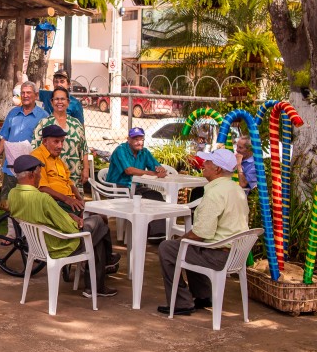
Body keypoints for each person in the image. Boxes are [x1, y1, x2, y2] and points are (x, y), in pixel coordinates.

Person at [8, 155, 116, 298]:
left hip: (37, 245)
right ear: (33, 174)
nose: (40, 176)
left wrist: (70, 216)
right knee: (98, 221)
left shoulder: (12, 194)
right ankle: (106, 264)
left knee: (98, 234)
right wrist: (75, 219)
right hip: (59, 246)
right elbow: (70, 229)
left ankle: (96, 286)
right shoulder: (43, 199)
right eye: (40, 172)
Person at [157, 149, 249, 316]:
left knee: (169, 247)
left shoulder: (215, 193)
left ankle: (181, 302)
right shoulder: (236, 189)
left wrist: (182, 239)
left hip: (219, 256)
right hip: (236, 253)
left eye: (208, 162)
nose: (203, 165)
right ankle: (203, 295)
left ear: (218, 169)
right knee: (189, 246)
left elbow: (201, 233)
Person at [31, 125, 120, 274]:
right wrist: (68, 200)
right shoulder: (37, 157)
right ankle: (93, 260)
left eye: (62, 142)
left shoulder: (58, 160)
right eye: (56, 142)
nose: (60, 146)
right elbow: (42, 188)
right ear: (45, 141)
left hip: (69, 201)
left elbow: (69, 183)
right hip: (56, 203)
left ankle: (102, 259)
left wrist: (80, 199)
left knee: (101, 217)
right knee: (96, 221)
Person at [0, 81, 49, 204]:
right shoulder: (12, 113)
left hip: (31, 170)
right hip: (10, 167)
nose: (25, 95)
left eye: (28, 93)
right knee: (8, 202)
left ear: (35, 95)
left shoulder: (44, 116)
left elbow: (46, 143)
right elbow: (4, 138)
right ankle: (10, 224)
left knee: (28, 204)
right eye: (23, 93)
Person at [106, 127, 168, 237]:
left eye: (141, 139)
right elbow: (129, 170)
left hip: (137, 186)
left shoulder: (144, 152)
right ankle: (140, 234)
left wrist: (160, 169)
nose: (139, 142)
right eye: (135, 139)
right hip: (118, 186)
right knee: (140, 200)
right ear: (128, 139)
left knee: (156, 196)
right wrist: (151, 173)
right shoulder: (120, 150)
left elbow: (156, 166)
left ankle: (157, 234)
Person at [32, 86, 89, 187]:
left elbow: (83, 148)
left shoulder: (76, 124)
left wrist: (86, 169)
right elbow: (36, 150)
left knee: (74, 201)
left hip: (74, 175)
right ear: (51, 102)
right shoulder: (44, 124)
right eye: (56, 99)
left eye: (62, 99)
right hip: (51, 175)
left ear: (68, 102)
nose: (59, 102)